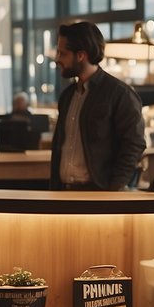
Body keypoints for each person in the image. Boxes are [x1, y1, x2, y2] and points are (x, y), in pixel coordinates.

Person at [49, 21, 146, 191]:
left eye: (62, 53)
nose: (57, 59)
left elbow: (134, 144)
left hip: (98, 195)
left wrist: (114, 188)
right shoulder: (67, 96)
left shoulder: (120, 94)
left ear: (81, 55)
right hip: (64, 194)